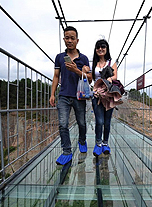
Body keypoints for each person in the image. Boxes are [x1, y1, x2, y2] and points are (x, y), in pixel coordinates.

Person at [50, 26, 92, 165]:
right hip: (63, 95)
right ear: (64, 39)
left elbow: (90, 78)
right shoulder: (59, 57)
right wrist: (52, 94)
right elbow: (56, 76)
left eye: (72, 38)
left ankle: (82, 140)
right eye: (67, 38)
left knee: (81, 123)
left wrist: (76, 70)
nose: (69, 40)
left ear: (77, 40)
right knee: (63, 124)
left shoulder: (84, 58)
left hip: (79, 96)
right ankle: (67, 151)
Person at [90, 39, 117, 156]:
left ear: (106, 49)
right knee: (99, 121)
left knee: (107, 121)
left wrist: (109, 80)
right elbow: (91, 79)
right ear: (95, 50)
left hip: (108, 95)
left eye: (103, 47)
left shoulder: (111, 62)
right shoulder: (93, 64)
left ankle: (105, 143)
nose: (100, 49)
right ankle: (98, 143)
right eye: (98, 47)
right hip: (97, 95)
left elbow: (115, 76)